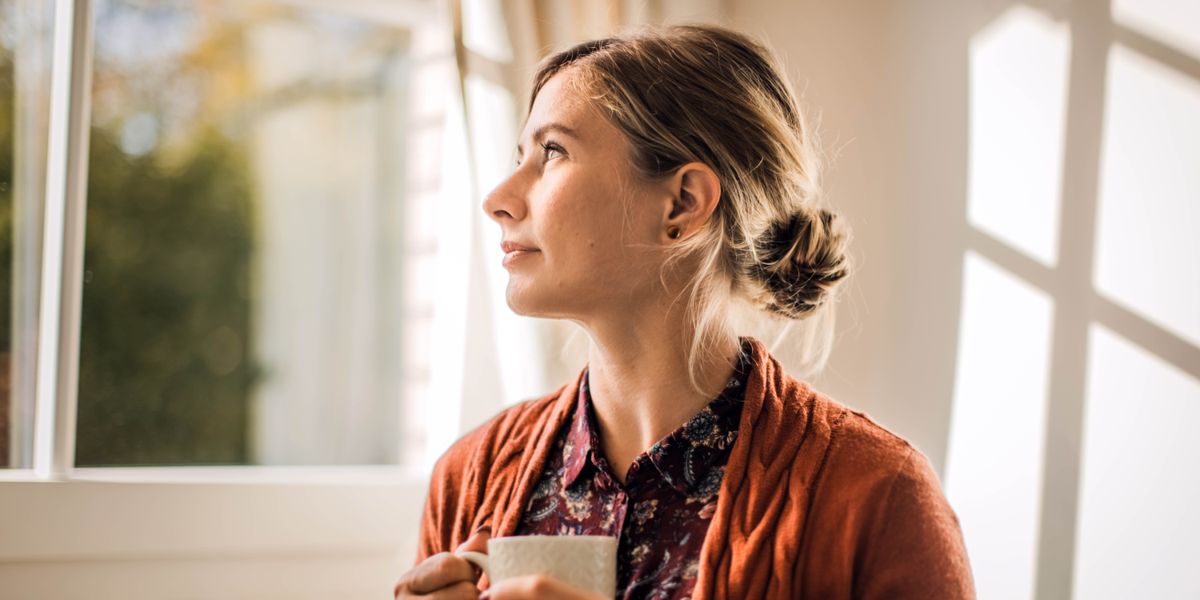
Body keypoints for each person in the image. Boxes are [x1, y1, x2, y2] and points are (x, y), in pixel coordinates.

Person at [393, 24, 974, 600]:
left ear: (682, 203)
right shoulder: (469, 479)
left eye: (552, 152)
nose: (497, 199)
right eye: (521, 154)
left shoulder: (877, 494)